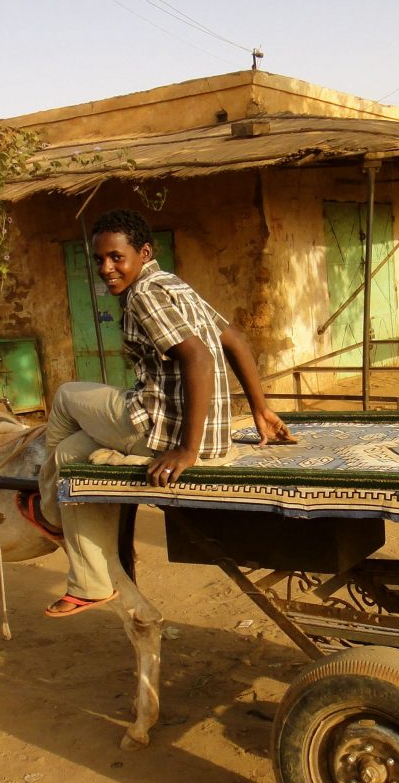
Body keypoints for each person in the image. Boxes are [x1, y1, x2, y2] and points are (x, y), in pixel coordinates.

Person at [33, 209, 292, 616]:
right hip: (202, 429)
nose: (107, 268)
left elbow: (200, 359)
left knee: (66, 396)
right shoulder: (172, 284)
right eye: (99, 259)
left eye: (116, 257)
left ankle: (46, 508)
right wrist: (260, 408)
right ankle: (90, 583)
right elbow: (235, 339)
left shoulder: (144, 294)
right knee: (68, 454)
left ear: (143, 252)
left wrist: (187, 451)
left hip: (162, 428)